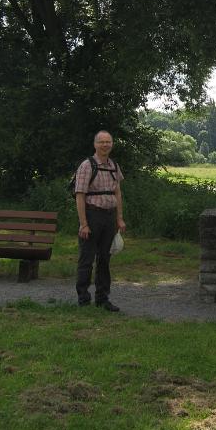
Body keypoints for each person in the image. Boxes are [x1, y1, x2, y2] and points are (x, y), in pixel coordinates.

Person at [75, 130, 126, 311]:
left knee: (105, 258)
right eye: (101, 142)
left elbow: (117, 192)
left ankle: (102, 298)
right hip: (92, 215)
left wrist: (119, 218)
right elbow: (80, 195)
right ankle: (83, 299)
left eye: (108, 142)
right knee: (87, 258)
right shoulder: (87, 165)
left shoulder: (114, 165)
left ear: (112, 144)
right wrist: (83, 224)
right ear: (95, 144)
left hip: (110, 217)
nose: (105, 145)